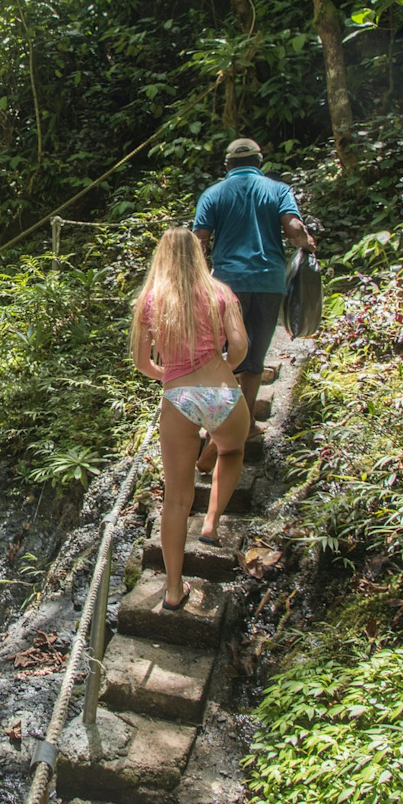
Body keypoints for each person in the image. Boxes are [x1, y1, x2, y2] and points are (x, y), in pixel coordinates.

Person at [130, 227, 251, 611]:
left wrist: (170, 376)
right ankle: (213, 522)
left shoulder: (151, 299)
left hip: (178, 397)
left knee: (177, 500)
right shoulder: (220, 292)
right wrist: (224, 369)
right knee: (231, 451)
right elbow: (242, 346)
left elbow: (141, 362)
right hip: (222, 390)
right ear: (199, 253)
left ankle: (172, 590)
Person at [192, 138, 315, 471]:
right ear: (260, 161)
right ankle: (244, 427)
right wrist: (308, 243)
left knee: (223, 358)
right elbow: (293, 229)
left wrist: (197, 280)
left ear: (227, 165)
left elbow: (198, 242)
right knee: (254, 359)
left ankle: (217, 425)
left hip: (226, 286)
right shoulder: (278, 190)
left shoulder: (213, 194)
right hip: (268, 282)